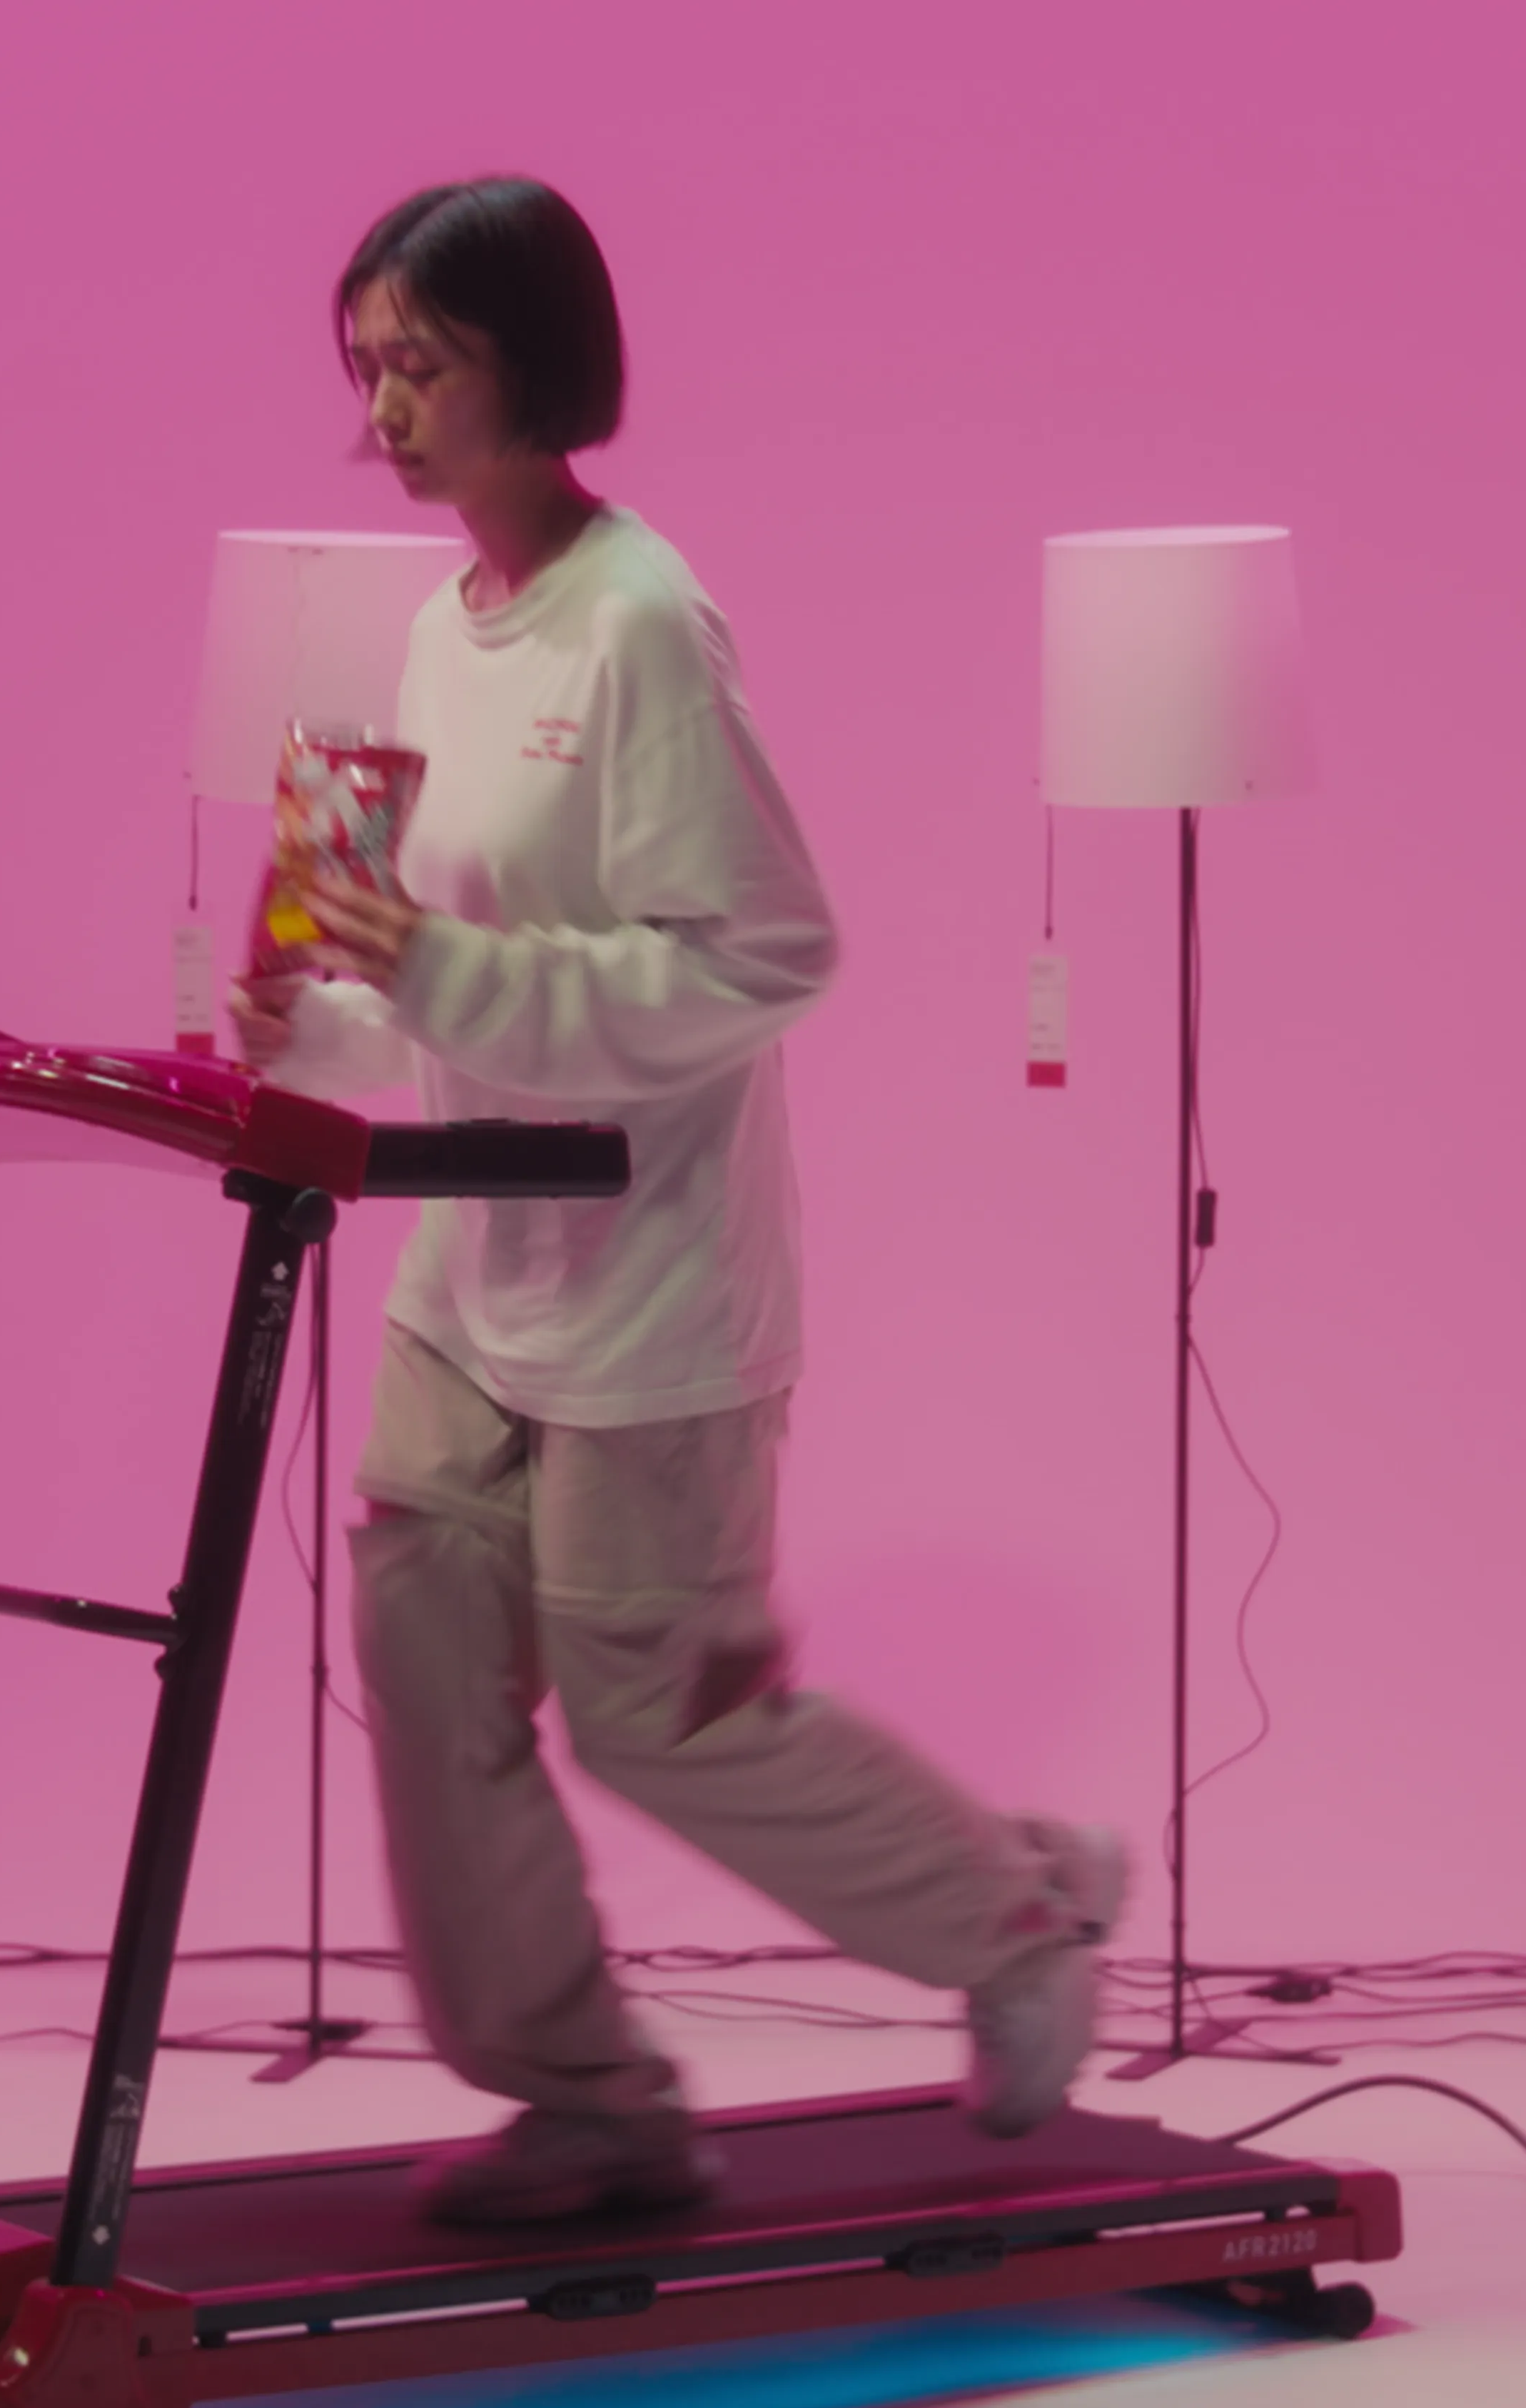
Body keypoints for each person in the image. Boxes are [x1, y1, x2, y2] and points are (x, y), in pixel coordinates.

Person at [231, 175, 1124, 2229]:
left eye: (421, 363)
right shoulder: (432, 631)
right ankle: (590, 2101)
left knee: (662, 1722)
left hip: (651, 1288)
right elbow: (419, 984)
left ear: (535, 369)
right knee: (426, 1667)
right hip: (473, 1270)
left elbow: (763, 955)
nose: (383, 407)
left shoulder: (640, 619)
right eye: (365, 364)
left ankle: (1014, 1914)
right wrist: (313, 1006)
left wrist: (443, 970)